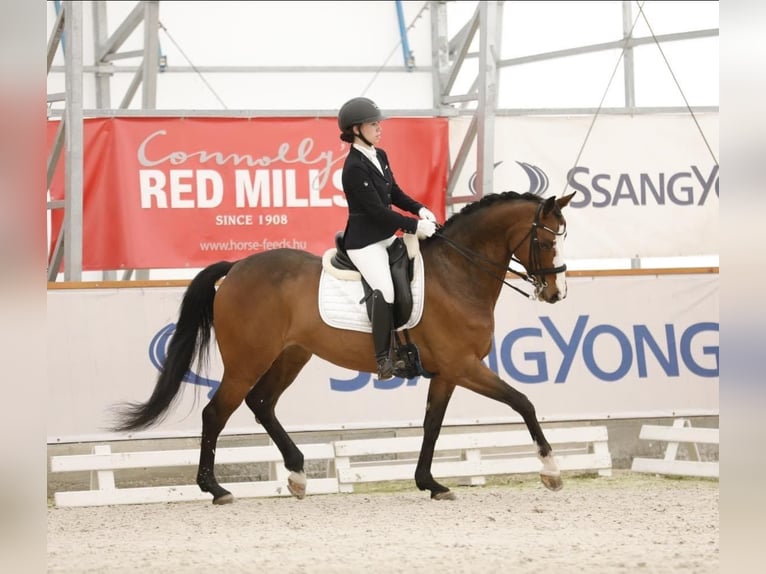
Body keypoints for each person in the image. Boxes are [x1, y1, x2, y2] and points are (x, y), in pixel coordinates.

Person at [337, 96, 438, 381]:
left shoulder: (379, 155)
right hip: (364, 243)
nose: (379, 128)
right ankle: (384, 359)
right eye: (373, 124)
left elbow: (394, 193)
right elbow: (378, 213)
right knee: (386, 289)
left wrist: (419, 208)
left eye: (378, 123)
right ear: (356, 130)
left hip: (385, 237)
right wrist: (413, 226)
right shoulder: (353, 167)